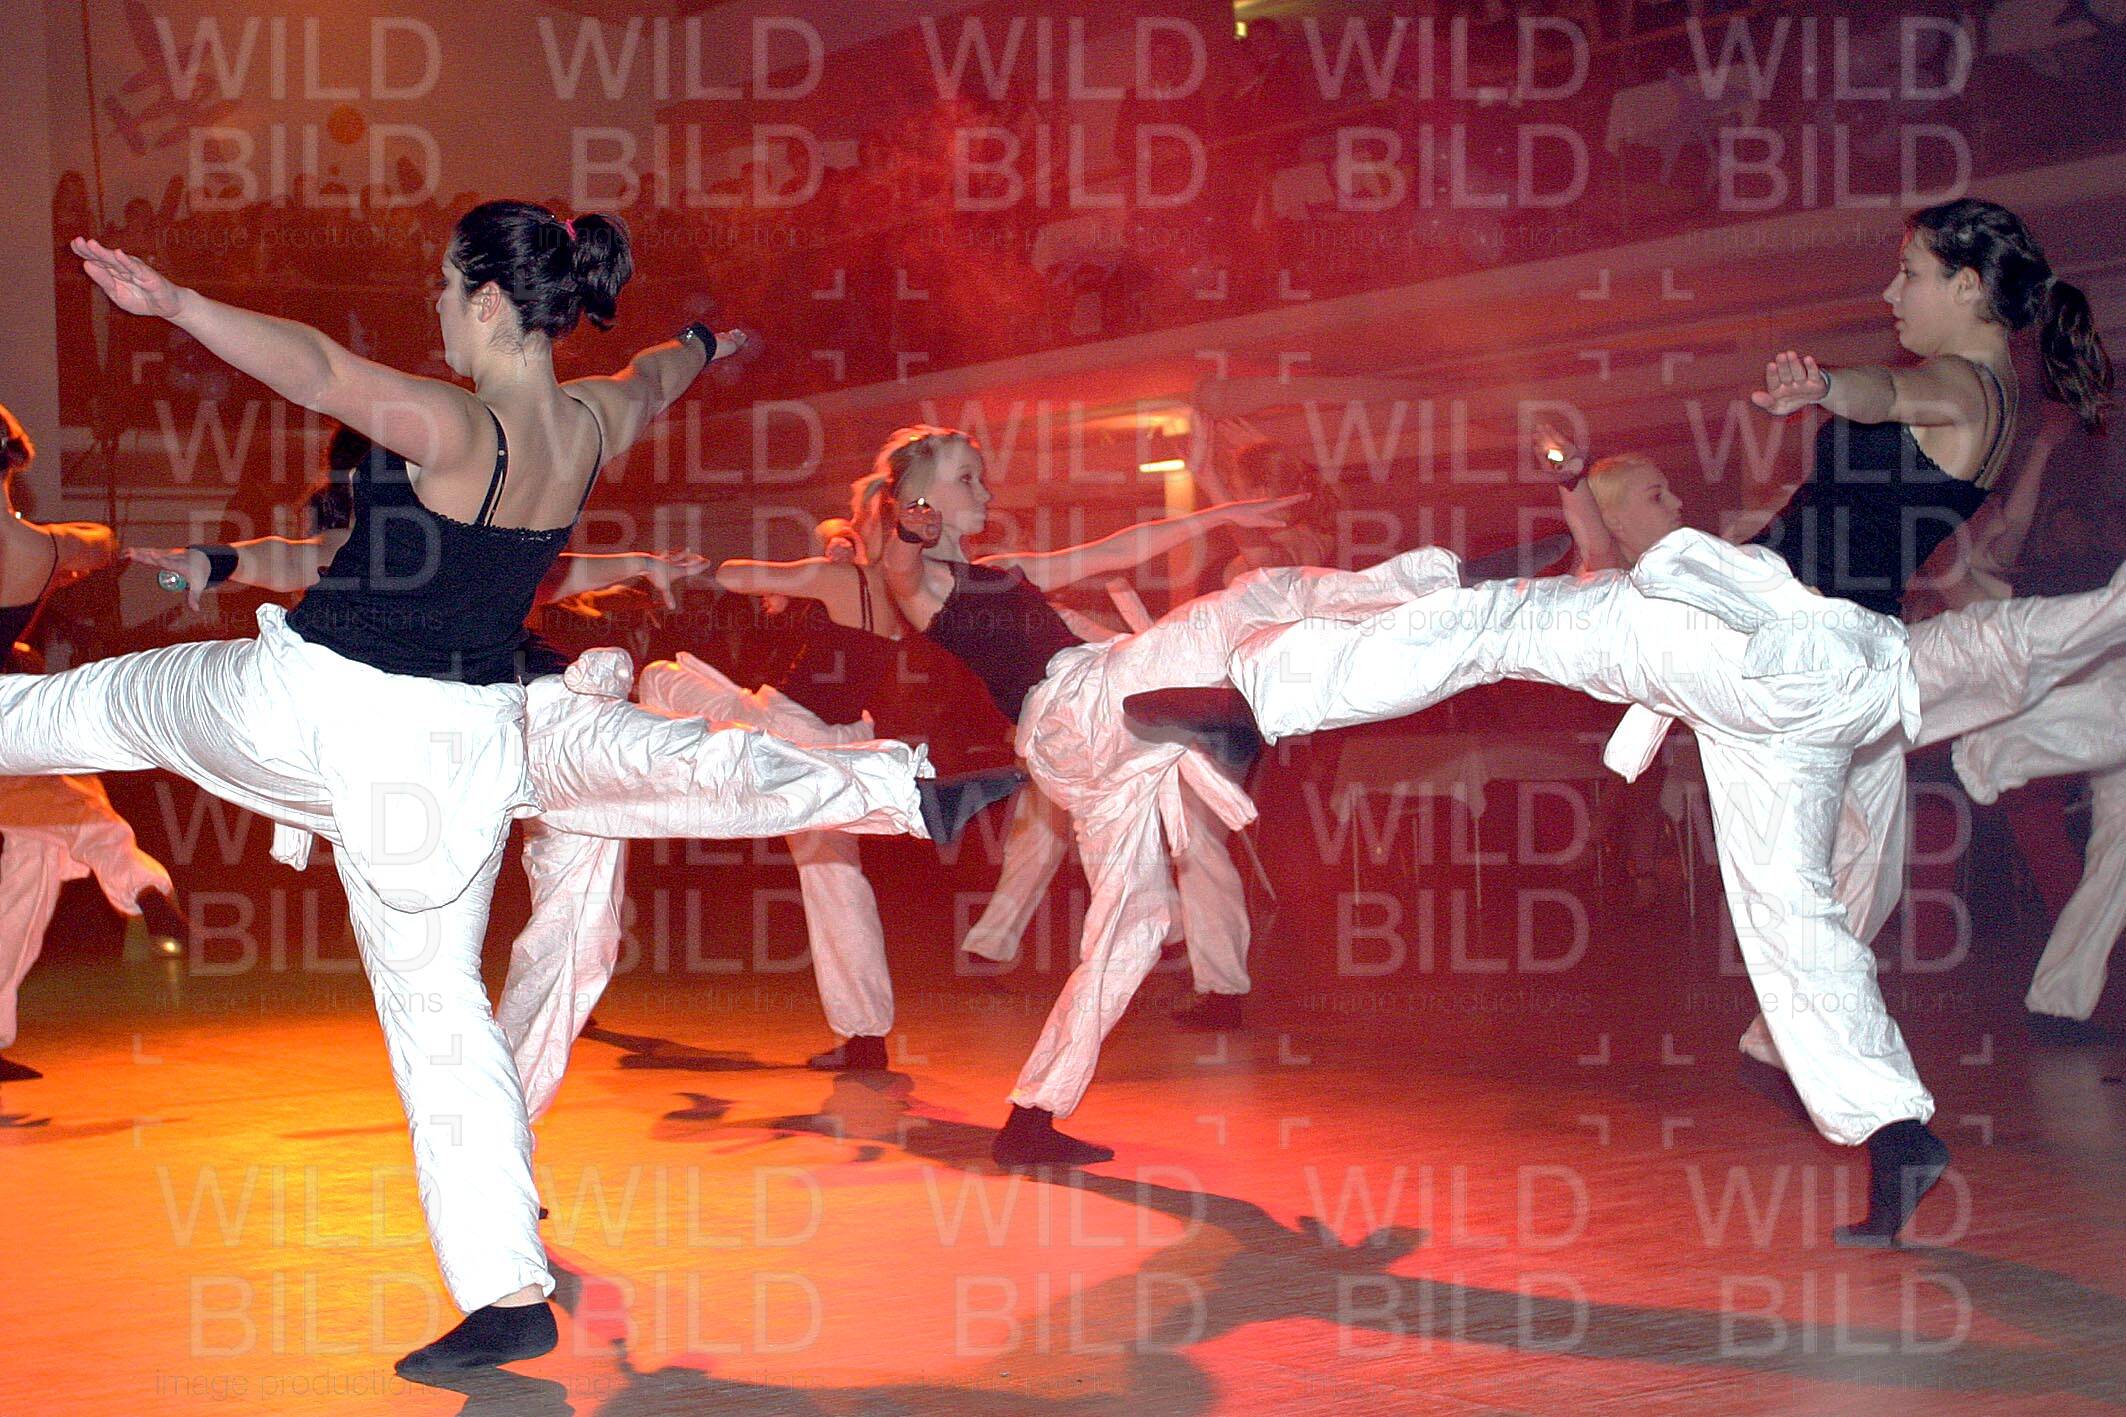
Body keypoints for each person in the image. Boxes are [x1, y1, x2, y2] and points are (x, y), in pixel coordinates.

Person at [1132, 198, 2111, 1247]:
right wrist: (1831, 397)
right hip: (1821, 671)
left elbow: (1892, 389)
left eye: (1908, 272)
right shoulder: (1997, 400)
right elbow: (1890, 411)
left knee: (1501, 622)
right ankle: (1894, 1134)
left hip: (1766, 640)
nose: (1889, 291)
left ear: (1968, 287)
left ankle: (1256, 707)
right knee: (1790, 913)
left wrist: (1828, 386)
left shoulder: (1963, 386)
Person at [5, 202, 734, 1378]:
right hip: (459, 752)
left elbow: (317, 368)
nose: (435, 306)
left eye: (445, 286)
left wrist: (178, 304)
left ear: (488, 301)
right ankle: (506, 1290)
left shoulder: (455, 423)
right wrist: (704, 344)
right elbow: (655, 375)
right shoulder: (591, 423)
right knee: (443, 1017)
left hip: (319, 706)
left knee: (105, 705)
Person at [878, 423, 1462, 1165]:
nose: (986, 490)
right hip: (1075, 709)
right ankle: (1439, 585)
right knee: (1248, 600)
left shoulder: (1004, 569)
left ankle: (1031, 1118)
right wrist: (907, 527)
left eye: (982, 475)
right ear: (921, 496)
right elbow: (897, 567)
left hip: (1092, 752)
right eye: (968, 478)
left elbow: (1119, 549)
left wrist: (1222, 513)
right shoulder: (926, 583)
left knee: (1136, 924)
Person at [0, 404, 187, 1082]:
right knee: (65, 821)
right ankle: (138, 882)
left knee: (35, 851)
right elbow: (100, 540)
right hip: (11, 716)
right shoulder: (38, 549)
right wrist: (75, 556)